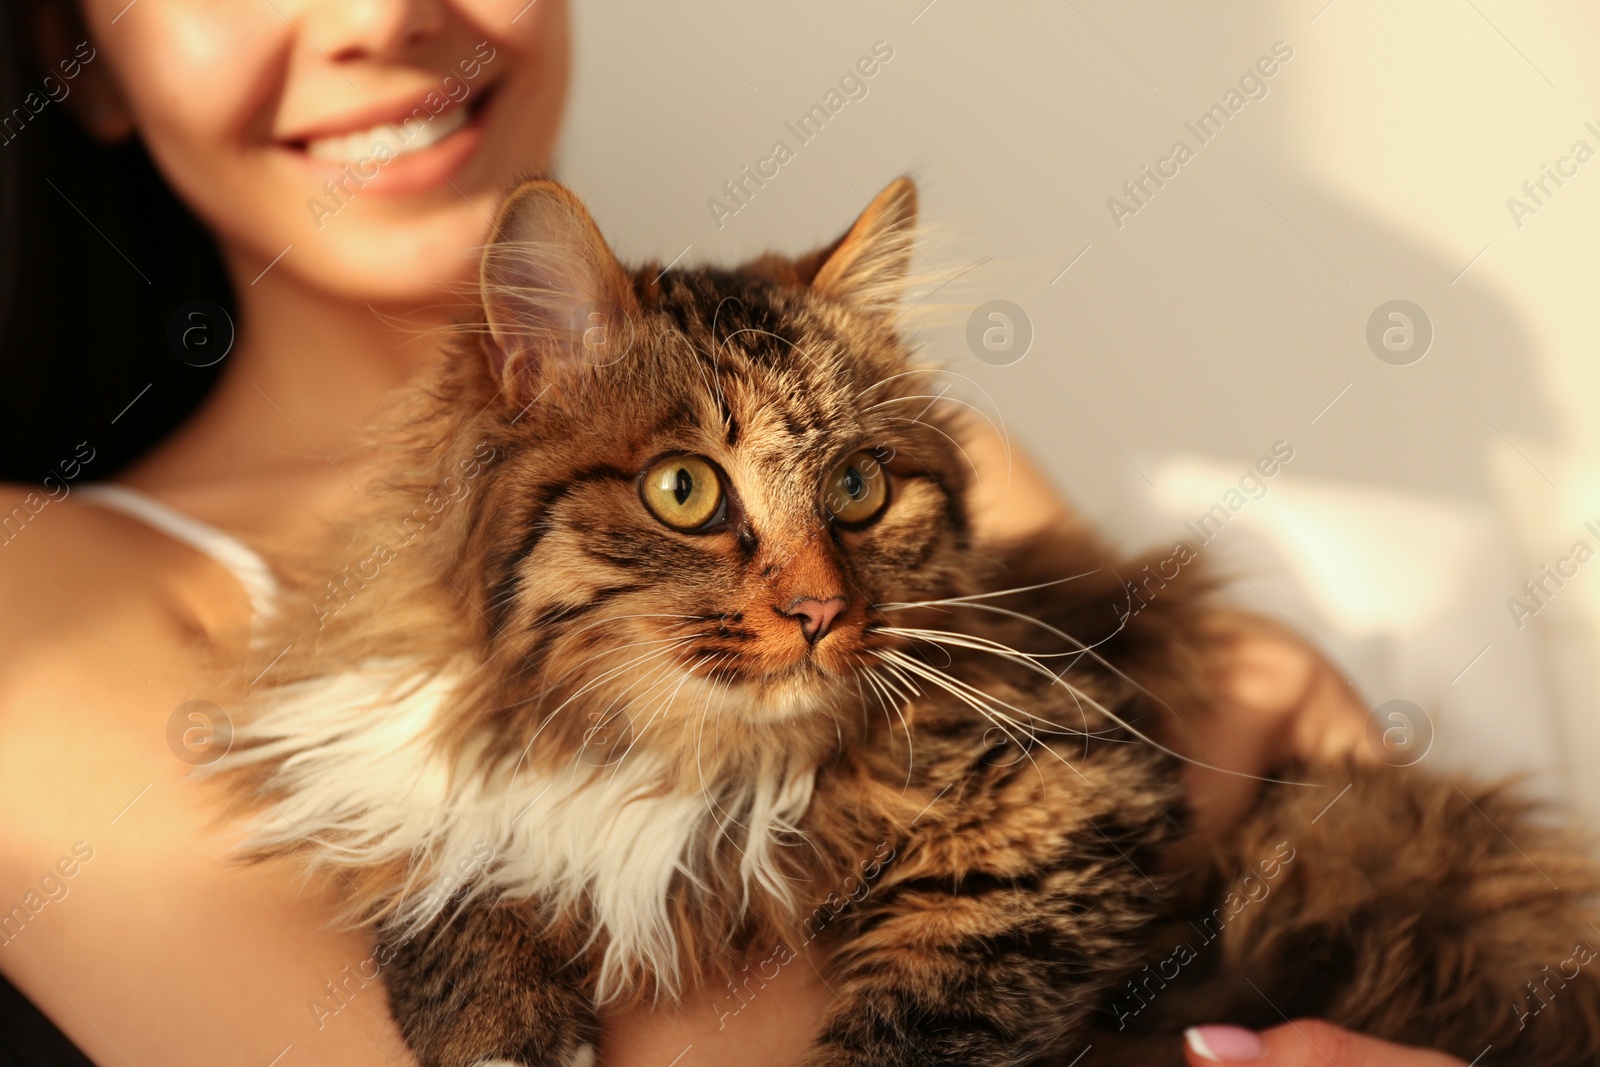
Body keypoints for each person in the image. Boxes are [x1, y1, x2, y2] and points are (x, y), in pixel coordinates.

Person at [0, 0, 1454, 1063]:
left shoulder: (896, 446)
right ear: (82, 54)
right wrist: (1234, 704)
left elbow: (1118, 857)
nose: (386, 15)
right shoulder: (35, 593)